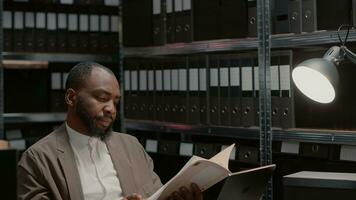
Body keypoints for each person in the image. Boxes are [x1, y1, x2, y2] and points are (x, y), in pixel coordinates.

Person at [17, 62, 202, 200]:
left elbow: (156, 194)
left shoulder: (132, 146)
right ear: (71, 98)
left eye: (115, 102)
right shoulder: (37, 159)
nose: (111, 109)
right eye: (102, 98)